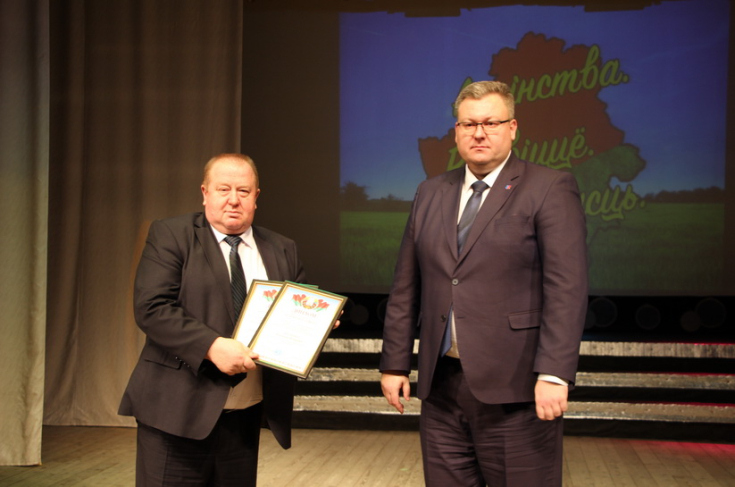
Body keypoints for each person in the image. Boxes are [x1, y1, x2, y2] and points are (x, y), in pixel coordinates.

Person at [380, 81, 588, 486]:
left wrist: (554, 373)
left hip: (517, 388)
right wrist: (394, 362)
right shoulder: (430, 192)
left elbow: (567, 289)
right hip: (441, 387)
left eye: (491, 123)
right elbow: (406, 286)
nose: (479, 133)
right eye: (469, 124)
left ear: (513, 128)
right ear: (456, 131)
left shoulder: (549, 187)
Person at [120, 153, 308, 487]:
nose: (234, 200)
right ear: (205, 193)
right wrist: (211, 346)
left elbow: (294, 314)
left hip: (244, 416)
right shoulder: (171, 234)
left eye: (243, 191)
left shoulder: (282, 248)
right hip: (177, 412)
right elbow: (152, 307)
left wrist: (314, 324)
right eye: (224, 189)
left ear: (256, 197)